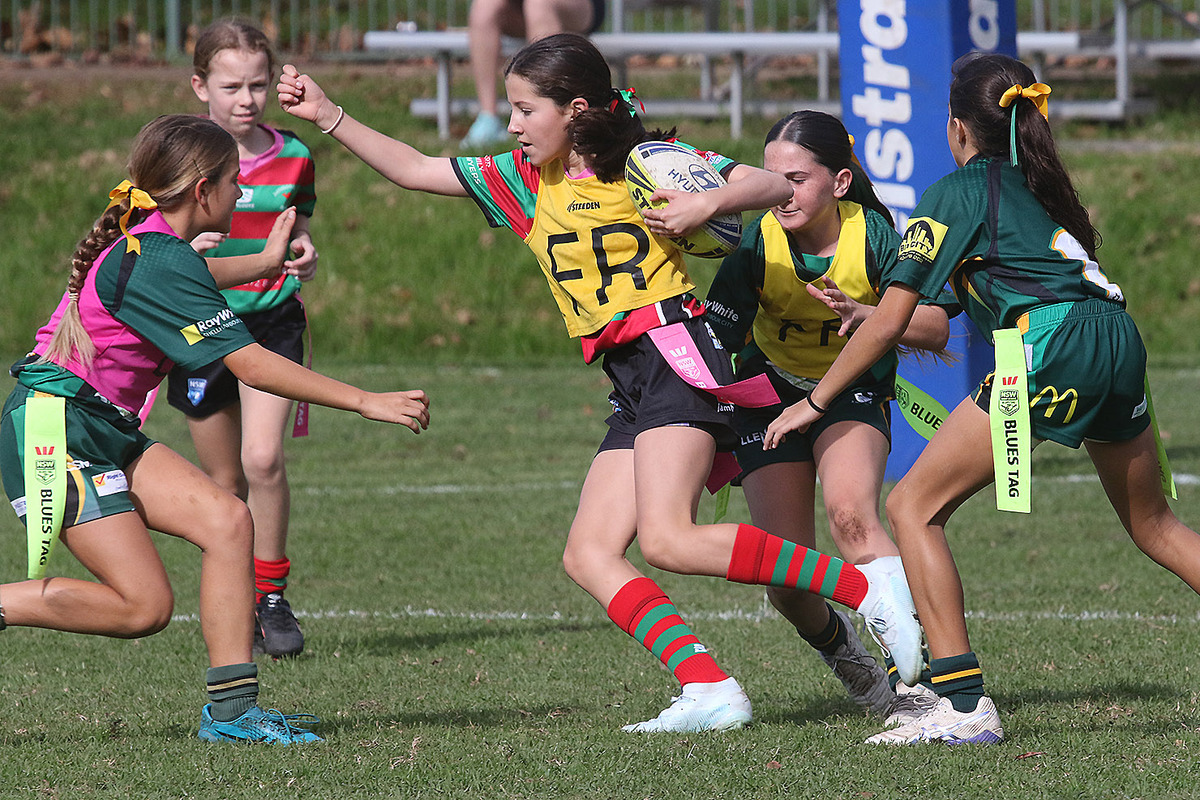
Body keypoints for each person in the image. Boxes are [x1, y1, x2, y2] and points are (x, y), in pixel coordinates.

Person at [278, 32, 921, 733]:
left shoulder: (644, 164)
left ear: (576, 109)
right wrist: (330, 114)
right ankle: (709, 688)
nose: (514, 124)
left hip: (676, 353)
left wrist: (705, 205)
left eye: (526, 110)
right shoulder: (526, 181)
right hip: (633, 377)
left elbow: (767, 185)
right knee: (588, 553)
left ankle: (866, 587)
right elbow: (411, 167)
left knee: (669, 539)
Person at [764, 51, 1200, 745]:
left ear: (958, 129)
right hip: (1116, 336)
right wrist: (869, 316)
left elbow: (896, 316)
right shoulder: (1042, 184)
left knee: (911, 506)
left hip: (1046, 344)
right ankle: (959, 705)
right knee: (1156, 528)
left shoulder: (955, 192)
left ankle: (962, 707)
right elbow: (922, 319)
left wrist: (815, 402)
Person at [0, 114, 430, 744]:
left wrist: (263, 259)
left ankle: (232, 716)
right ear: (203, 190)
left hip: (98, 425)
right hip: (54, 432)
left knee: (229, 521)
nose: (242, 190)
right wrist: (364, 400)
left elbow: (191, 281)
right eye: (234, 180)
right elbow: (249, 361)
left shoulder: (152, 242)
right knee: (143, 608)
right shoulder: (158, 257)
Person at [705, 110, 956, 726]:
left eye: (796, 178)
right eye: (769, 179)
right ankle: (852, 662)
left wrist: (870, 314)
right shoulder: (751, 246)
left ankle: (924, 689)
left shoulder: (872, 236)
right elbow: (713, 344)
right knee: (786, 580)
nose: (778, 192)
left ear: (839, 182)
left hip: (850, 396)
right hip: (769, 397)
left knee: (852, 516)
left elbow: (936, 324)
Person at [165, 20, 319, 658]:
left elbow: (299, 228)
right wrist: (183, 253)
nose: (246, 98)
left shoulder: (294, 156)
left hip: (272, 322)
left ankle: (272, 594)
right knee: (224, 482)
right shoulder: (175, 157)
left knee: (263, 460)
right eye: (231, 86)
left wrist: (305, 252)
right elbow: (148, 239)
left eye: (258, 84)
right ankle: (235, 606)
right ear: (200, 85)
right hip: (199, 326)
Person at [459, 0, 605, 150]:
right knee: (485, 5)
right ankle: (488, 117)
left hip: (579, 7)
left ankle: (551, 115)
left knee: (538, 3)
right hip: (519, 9)